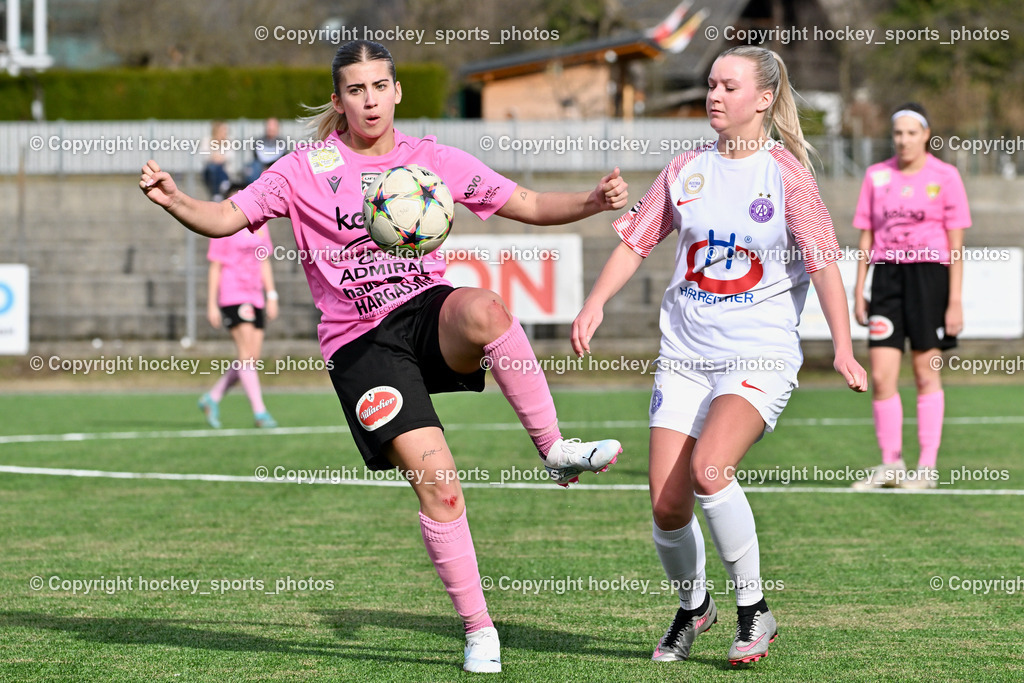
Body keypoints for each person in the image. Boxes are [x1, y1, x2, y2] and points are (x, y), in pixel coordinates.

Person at [140, 39, 627, 674]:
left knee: (485, 308)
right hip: (360, 347)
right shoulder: (304, 168)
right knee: (442, 491)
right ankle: (480, 629)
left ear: (397, 91)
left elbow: (527, 204)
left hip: (426, 314)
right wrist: (177, 200)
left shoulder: (431, 159)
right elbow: (228, 215)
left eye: (379, 86)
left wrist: (590, 202)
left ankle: (556, 449)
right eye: (355, 89)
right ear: (338, 101)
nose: (369, 100)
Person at [571, 45, 867, 666]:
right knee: (666, 504)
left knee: (711, 470)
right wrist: (595, 301)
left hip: (757, 355)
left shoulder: (785, 174)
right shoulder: (684, 168)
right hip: (683, 357)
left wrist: (841, 346)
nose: (713, 95)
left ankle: (754, 610)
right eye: (710, 84)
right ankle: (693, 607)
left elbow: (822, 261)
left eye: (728, 86)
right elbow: (635, 240)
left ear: (762, 99)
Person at [851, 103, 969, 490]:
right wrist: (859, 287)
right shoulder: (876, 175)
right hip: (886, 278)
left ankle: (926, 469)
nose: (903, 140)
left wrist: (954, 300)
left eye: (911, 133)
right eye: (897, 133)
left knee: (924, 373)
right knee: (882, 376)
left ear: (926, 135)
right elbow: (866, 234)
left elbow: (955, 244)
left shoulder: (946, 177)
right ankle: (891, 465)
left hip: (929, 277)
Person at [198, 184, 279, 429]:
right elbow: (216, 266)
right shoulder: (222, 227)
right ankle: (260, 412)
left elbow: (264, 261)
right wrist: (211, 304)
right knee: (246, 355)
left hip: (256, 297)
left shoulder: (260, 224)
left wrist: (271, 295)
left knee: (251, 357)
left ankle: (212, 398)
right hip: (233, 294)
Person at [201, 120, 237, 201]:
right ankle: (221, 189)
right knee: (214, 167)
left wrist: (218, 157)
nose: (225, 132)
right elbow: (205, 157)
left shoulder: (229, 142)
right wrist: (217, 158)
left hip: (225, 173)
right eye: (223, 130)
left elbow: (230, 157)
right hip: (209, 174)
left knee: (217, 167)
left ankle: (216, 194)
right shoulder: (207, 141)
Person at [245, 117, 286, 185]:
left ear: (278, 128)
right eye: (269, 125)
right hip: (259, 169)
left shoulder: (283, 143)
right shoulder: (258, 141)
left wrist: (269, 168)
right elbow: (257, 158)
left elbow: (281, 159)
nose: (271, 128)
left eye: (273, 126)